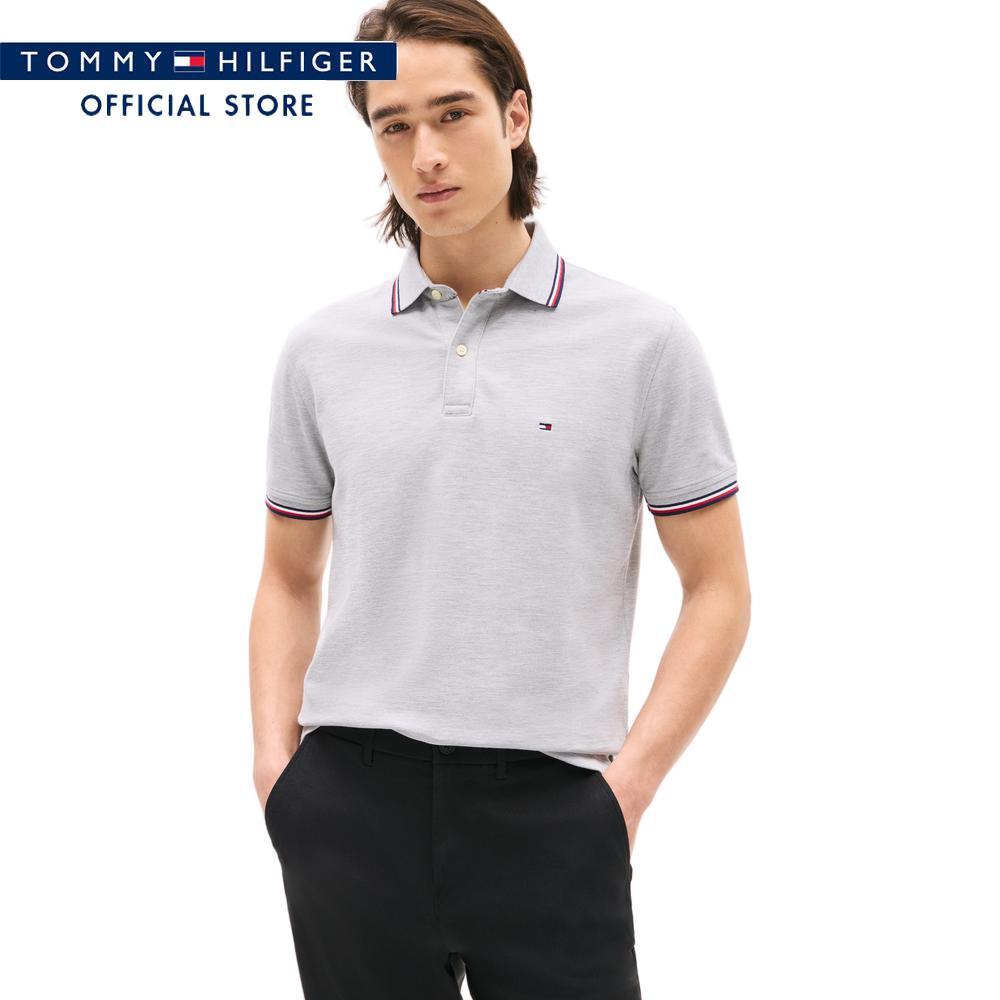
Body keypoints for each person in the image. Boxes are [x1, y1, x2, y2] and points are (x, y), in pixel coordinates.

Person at [249, 1, 751, 996]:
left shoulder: (642, 341)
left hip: (553, 810)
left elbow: (719, 588)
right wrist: (278, 774)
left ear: (515, 116)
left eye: (453, 114)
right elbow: (287, 576)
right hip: (350, 804)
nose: (427, 153)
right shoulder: (322, 351)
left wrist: (625, 791)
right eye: (395, 126)